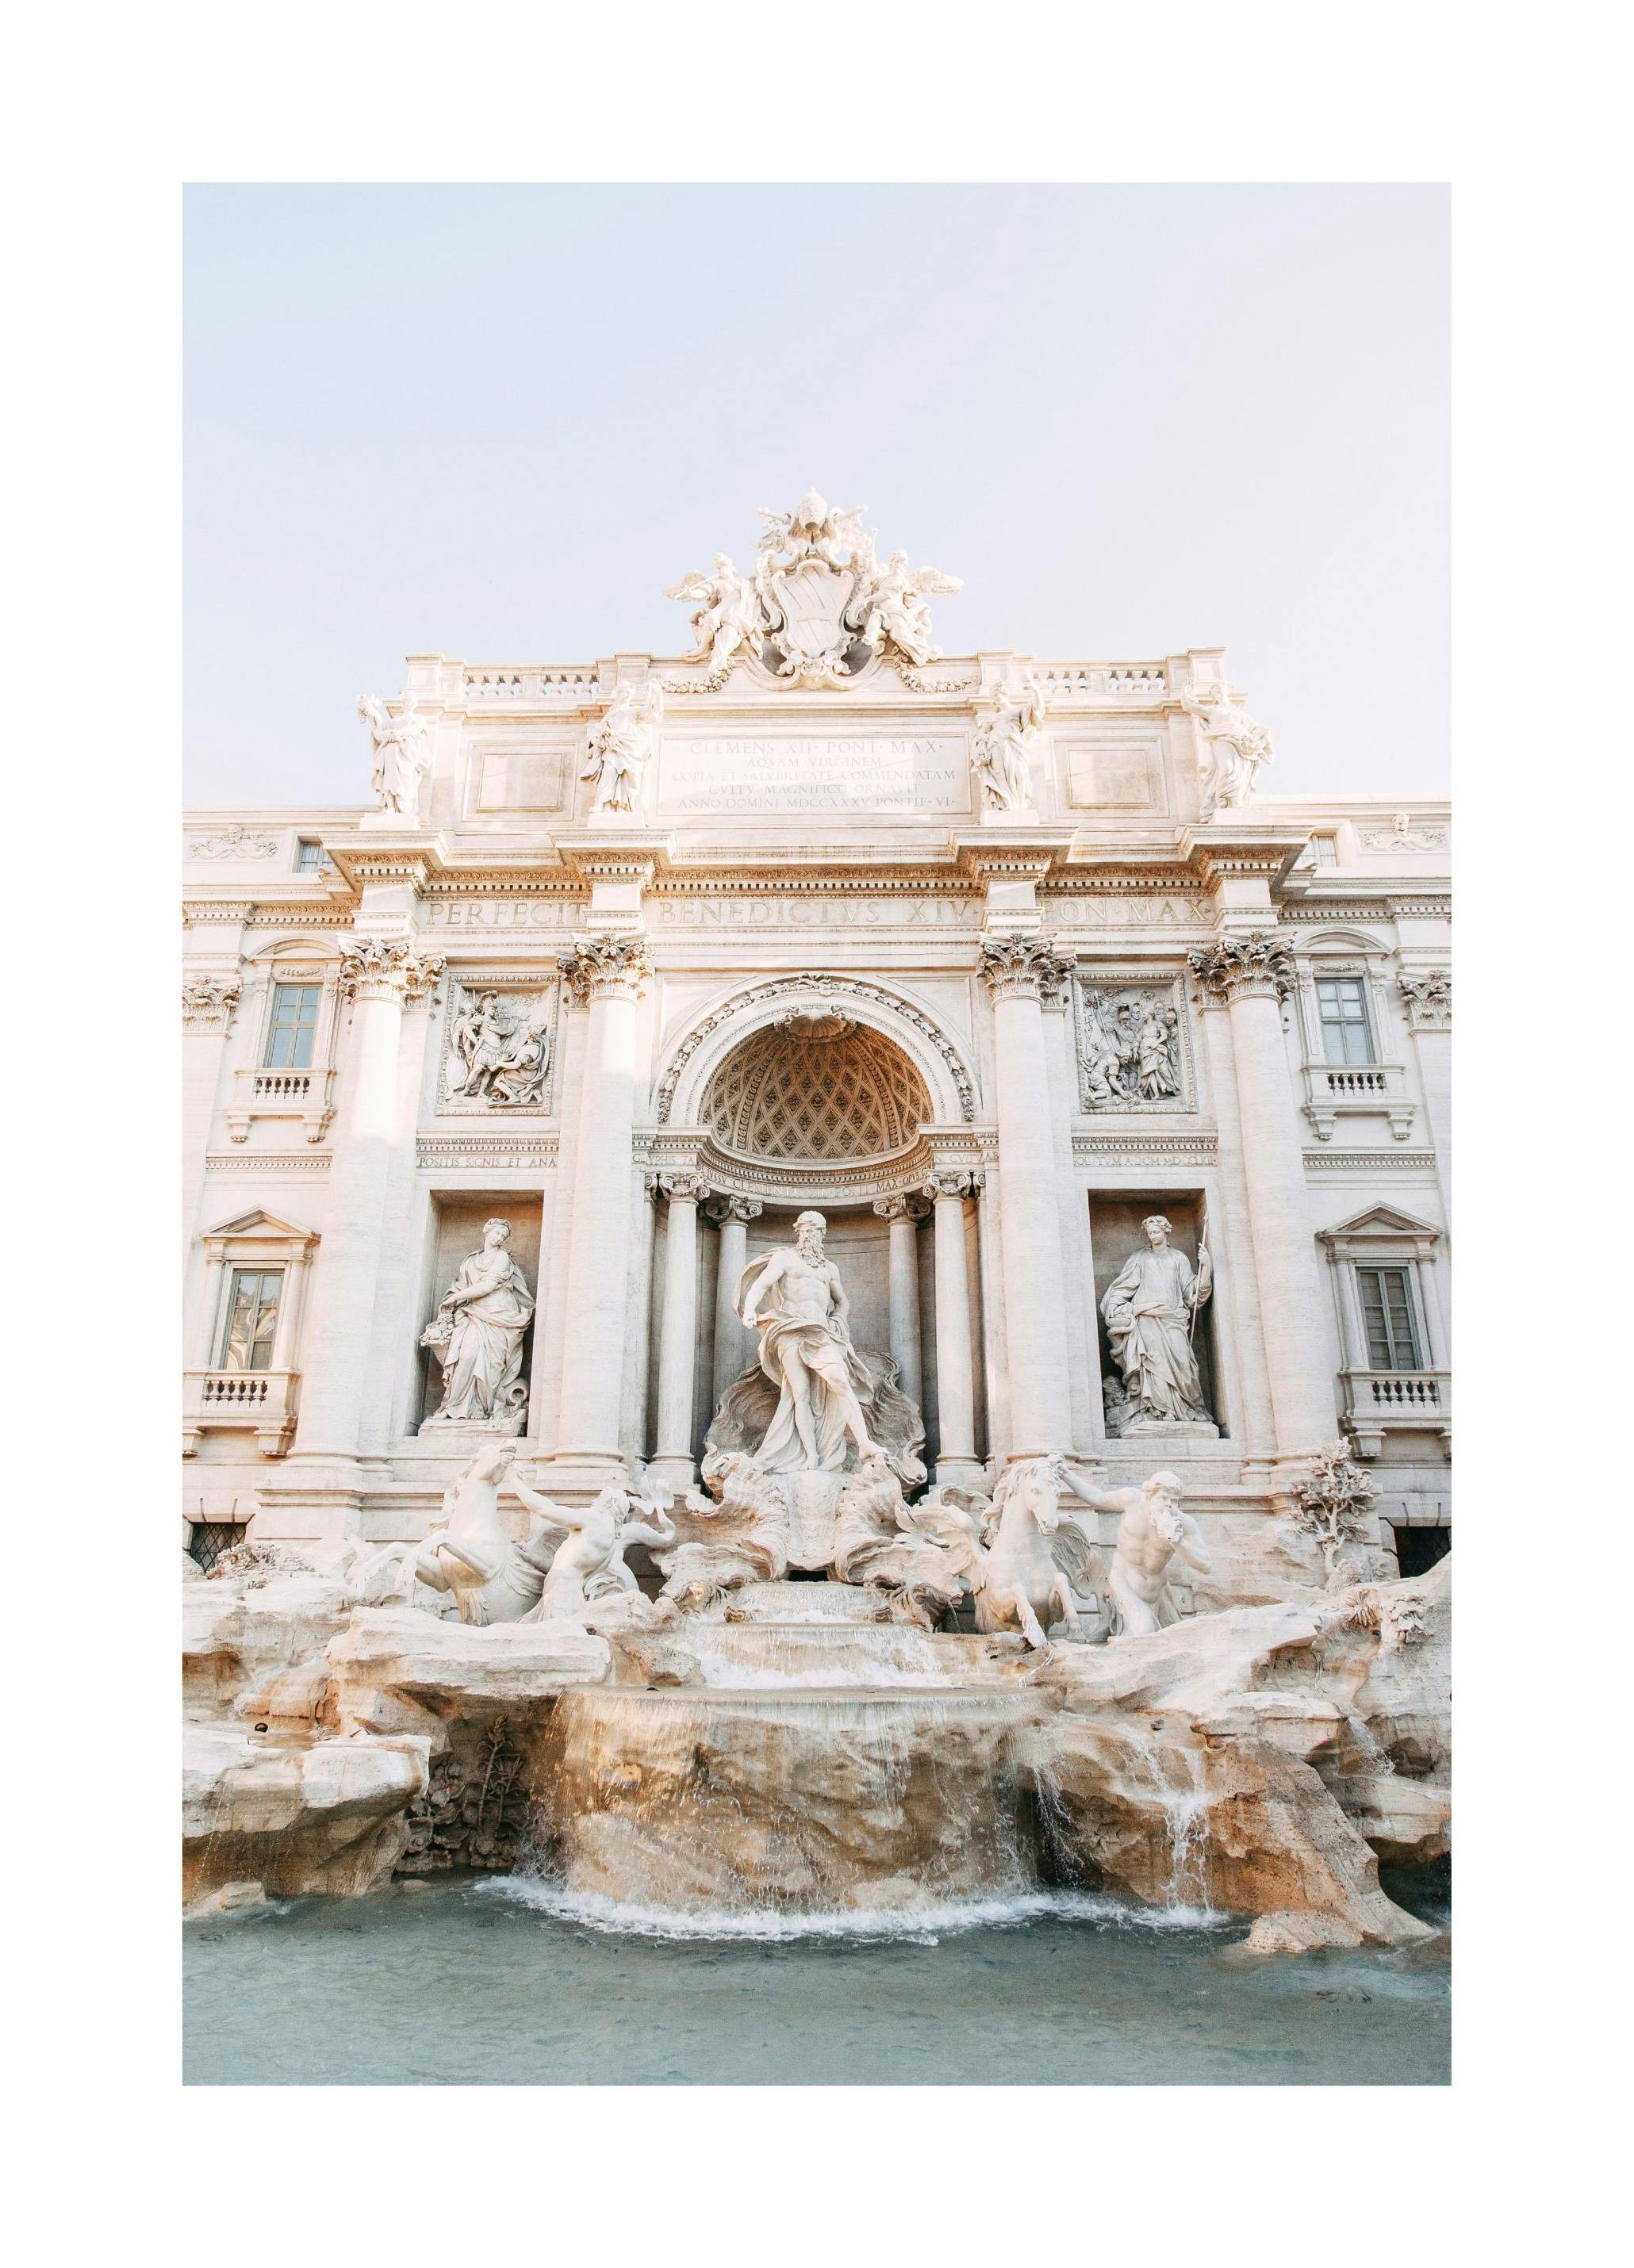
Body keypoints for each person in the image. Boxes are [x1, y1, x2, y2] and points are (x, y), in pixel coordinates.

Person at [738, 1211, 881, 1472]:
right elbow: (761, 1284)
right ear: (798, 1232)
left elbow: (843, 1302)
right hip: (791, 1329)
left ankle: (864, 1444)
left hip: (820, 1331)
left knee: (841, 1381)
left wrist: (838, 1320)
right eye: (804, 1230)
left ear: (822, 1235)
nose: (808, 1234)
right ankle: (811, 1457)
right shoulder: (785, 1258)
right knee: (799, 1394)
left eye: (814, 1230)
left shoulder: (829, 1268)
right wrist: (750, 1310)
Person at [1100, 1214, 1212, 1425]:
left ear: (1165, 1232)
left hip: (1173, 1318)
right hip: (1147, 1319)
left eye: (1156, 1232)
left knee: (1183, 1364)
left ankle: (1186, 1407)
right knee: (1154, 1365)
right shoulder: (1139, 1258)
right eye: (1150, 1233)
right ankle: (1159, 1410)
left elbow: (1193, 1294)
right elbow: (1122, 1288)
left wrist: (1205, 1268)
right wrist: (1115, 1307)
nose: (1153, 1235)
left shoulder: (1178, 1258)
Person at [420, 1219, 535, 1426]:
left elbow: (489, 1285)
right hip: (472, 1313)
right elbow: (460, 1286)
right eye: (496, 1233)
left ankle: (482, 1408)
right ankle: (453, 1405)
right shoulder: (471, 1260)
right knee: (467, 1355)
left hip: (499, 1313)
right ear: (486, 1231)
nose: (499, 1238)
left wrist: (456, 1298)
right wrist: (454, 1298)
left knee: (492, 1364)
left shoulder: (502, 1258)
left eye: (503, 1236)